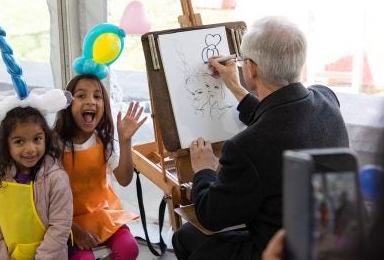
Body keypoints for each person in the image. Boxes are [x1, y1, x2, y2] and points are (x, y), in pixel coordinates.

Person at [171, 15, 349, 260]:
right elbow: (283, 117)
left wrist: (204, 171)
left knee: (185, 237)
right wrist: (236, 87)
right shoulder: (328, 99)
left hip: (278, 251)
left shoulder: (246, 147)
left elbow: (210, 216)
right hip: (329, 243)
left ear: (252, 69)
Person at [54, 74, 147, 260]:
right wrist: (75, 230)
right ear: (67, 104)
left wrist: (125, 140)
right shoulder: (55, 145)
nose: (91, 101)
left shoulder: (102, 140)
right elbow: (47, 202)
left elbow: (124, 179)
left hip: (104, 214)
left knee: (129, 248)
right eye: (81, 95)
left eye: (97, 96)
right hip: (68, 222)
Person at [0, 105, 73, 259]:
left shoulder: (56, 179)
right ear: (6, 144)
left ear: (46, 138)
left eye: (37, 139)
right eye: (19, 142)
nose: (30, 149)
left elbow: (60, 227)